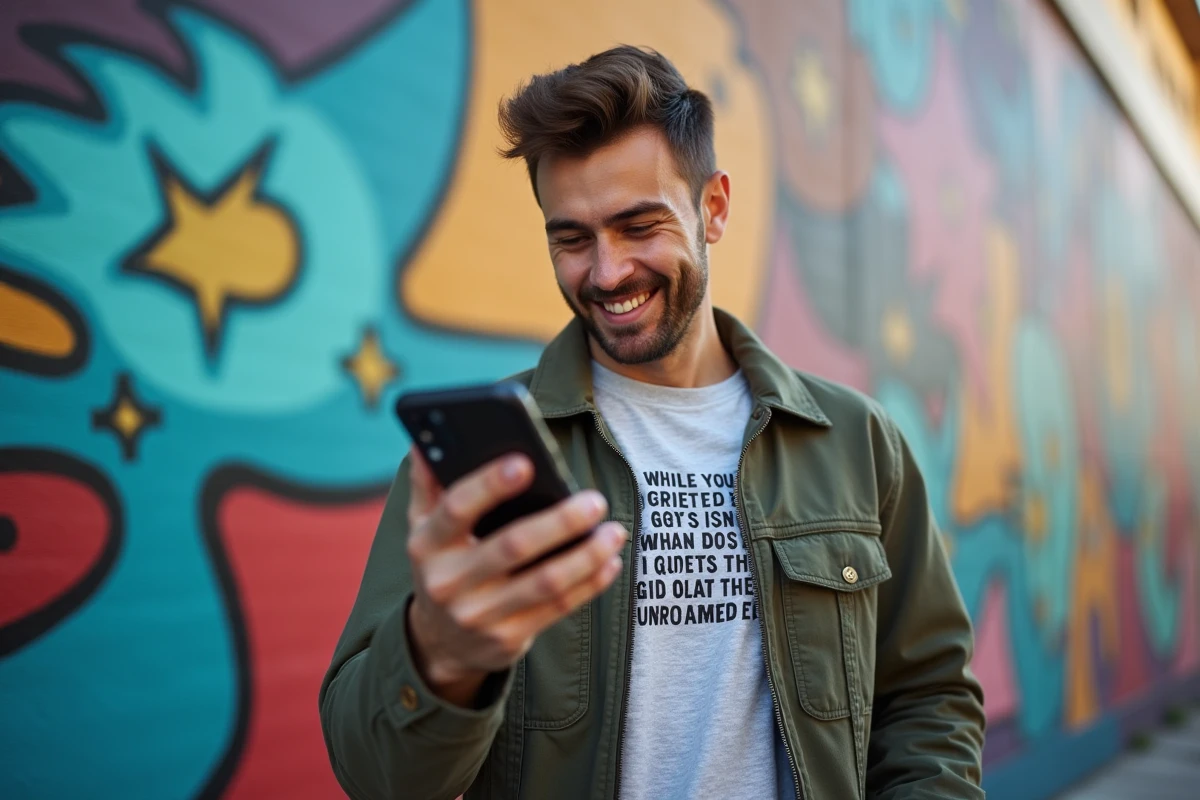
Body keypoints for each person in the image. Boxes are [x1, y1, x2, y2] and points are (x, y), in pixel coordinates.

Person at [319, 45, 985, 800]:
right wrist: (439, 656)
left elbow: (927, 692)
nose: (606, 273)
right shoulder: (476, 469)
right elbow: (374, 776)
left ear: (715, 209)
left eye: (639, 226)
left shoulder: (855, 443)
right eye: (571, 238)